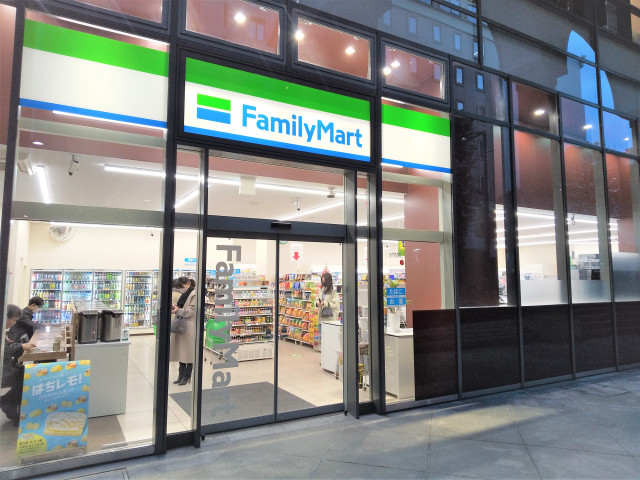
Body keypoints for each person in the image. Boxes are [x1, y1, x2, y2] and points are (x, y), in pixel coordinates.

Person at [1, 304, 36, 426]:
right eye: (14, 320)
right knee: (26, 377)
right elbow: (5, 351)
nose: (14, 323)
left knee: (27, 372)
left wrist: (20, 346)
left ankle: (9, 402)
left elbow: (7, 347)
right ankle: (7, 401)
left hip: (7, 366)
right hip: (4, 370)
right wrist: (21, 347)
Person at [170, 277, 196, 386]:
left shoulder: (194, 294)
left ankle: (187, 376)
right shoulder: (184, 295)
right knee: (181, 352)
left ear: (188, 284)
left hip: (189, 327)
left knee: (188, 353)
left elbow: (191, 311)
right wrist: (176, 308)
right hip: (181, 325)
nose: (180, 289)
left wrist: (178, 310)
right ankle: (180, 375)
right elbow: (182, 307)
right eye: (178, 288)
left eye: (181, 287)